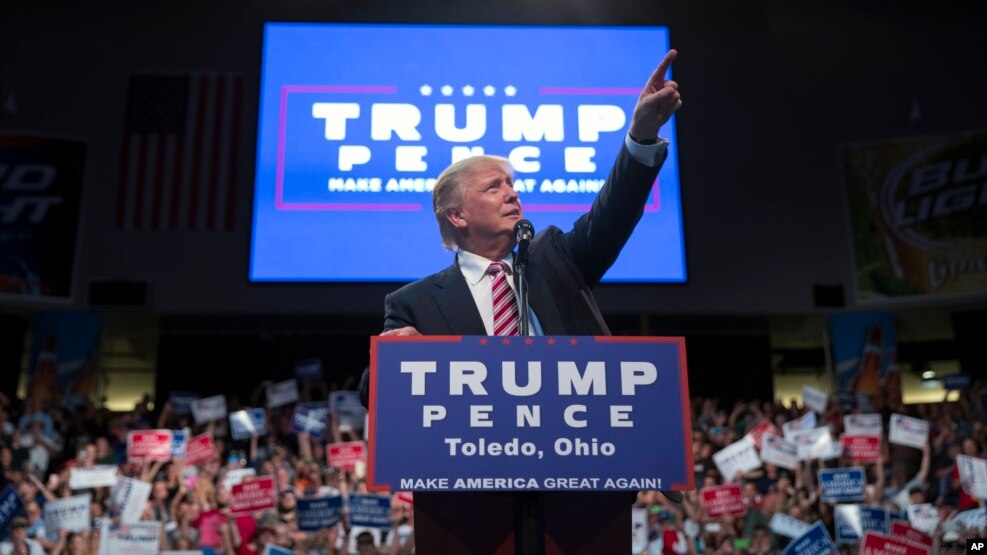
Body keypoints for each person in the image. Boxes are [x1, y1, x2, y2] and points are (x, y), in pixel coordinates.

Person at [358, 50, 682, 554]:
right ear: (457, 215)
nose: (513, 193)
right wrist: (402, 362)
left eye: (512, 183)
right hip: (473, 517)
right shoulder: (414, 303)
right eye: (495, 186)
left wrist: (639, 138)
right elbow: (372, 389)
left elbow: (612, 215)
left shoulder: (554, 258)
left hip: (582, 502)